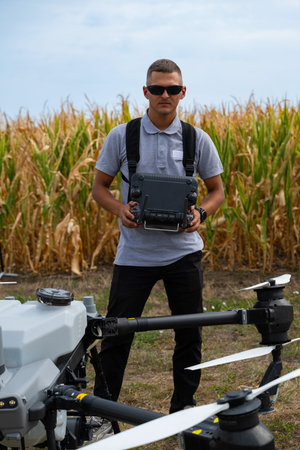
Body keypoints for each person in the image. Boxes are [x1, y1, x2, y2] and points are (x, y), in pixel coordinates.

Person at [92, 59, 224, 413]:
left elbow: (216, 190)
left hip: (184, 253)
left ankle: (182, 408)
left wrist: (202, 213)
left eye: (172, 89)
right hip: (134, 255)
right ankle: (102, 411)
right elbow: (99, 187)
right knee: (116, 334)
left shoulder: (198, 139)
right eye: (156, 89)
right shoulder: (122, 136)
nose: (164, 95)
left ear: (183, 92)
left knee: (190, 335)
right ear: (145, 91)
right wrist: (120, 210)